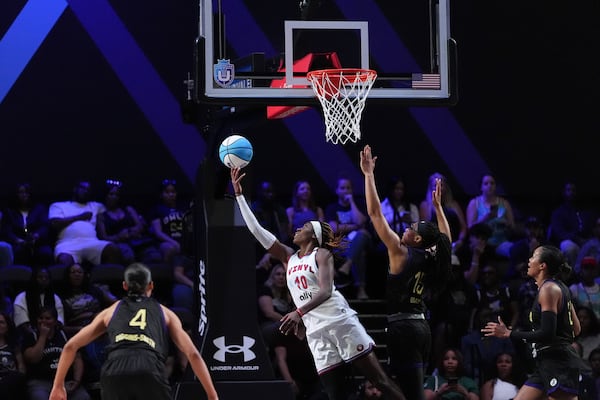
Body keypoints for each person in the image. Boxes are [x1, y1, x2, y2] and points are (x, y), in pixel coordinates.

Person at [230, 166, 405, 400]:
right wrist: (240, 196)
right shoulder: (287, 257)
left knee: (379, 380)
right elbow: (257, 231)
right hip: (316, 333)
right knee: (335, 394)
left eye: (304, 227)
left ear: (313, 236)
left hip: (340, 322)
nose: (298, 228)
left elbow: (325, 291)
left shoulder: (321, 255)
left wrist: (297, 312)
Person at [360, 145, 452, 400]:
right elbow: (445, 240)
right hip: (421, 327)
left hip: (403, 328)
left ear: (417, 238)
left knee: (408, 394)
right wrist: (438, 208)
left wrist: (369, 175)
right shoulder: (433, 256)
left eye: (411, 227)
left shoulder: (400, 251)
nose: (406, 228)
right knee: (404, 391)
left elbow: (375, 213)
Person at [48, 262, 218, 400]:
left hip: (115, 370)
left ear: (124, 285)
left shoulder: (110, 311)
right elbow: (193, 355)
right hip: (149, 368)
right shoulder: (165, 313)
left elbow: (70, 346)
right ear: (151, 285)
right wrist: (212, 395)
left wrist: (58, 386)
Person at [482, 244, 582, 400]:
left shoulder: (549, 289)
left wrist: (509, 333)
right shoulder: (560, 288)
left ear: (542, 266)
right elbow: (575, 329)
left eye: (533, 256)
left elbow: (547, 333)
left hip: (558, 364)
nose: (529, 260)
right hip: (545, 363)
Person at [49, 180, 122, 268]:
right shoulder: (59, 205)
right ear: (75, 189)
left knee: (113, 250)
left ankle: (103, 280)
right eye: (83, 188)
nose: (86, 191)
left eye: (88, 189)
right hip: (67, 244)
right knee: (64, 260)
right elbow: (55, 223)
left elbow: (113, 210)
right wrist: (80, 217)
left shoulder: (97, 206)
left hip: (92, 242)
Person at [22, 306, 91, 400]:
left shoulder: (65, 336)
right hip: (40, 382)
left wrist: (77, 380)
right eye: (40, 318)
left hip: (65, 381)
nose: (43, 321)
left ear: (55, 321)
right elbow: (34, 359)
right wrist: (43, 336)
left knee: (83, 397)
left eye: (47, 318)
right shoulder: (31, 337)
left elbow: (77, 359)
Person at [325, 175, 372, 299]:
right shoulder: (332, 208)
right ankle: (361, 289)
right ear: (337, 190)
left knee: (363, 235)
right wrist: (354, 226)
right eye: (342, 188)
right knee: (359, 253)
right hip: (341, 243)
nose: (346, 190)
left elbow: (361, 221)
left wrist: (351, 202)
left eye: (348, 188)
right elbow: (334, 229)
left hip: (360, 240)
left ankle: (347, 264)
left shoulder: (359, 204)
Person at [97, 179, 160, 266]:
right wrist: (118, 237)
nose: (114, 197)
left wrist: (130, 231)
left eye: (117, 195)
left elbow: (140, 225)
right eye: (111, 194)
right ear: (105, 195)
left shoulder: (128, 209)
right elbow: (103, 237)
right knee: (128, 255)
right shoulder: (101, 216)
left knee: (154, 255)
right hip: (119, 243)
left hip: (137, 240)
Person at [1, 182, 54, 267]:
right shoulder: (9, 211)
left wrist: (36, 235)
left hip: (39, 242)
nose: (24, 195)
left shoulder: (39, 208)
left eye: (26, 192)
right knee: (20, 253)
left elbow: (45, 226)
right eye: (21, 192)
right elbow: (7, 230)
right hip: (18, 243)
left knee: (45, 253)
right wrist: (17, 240)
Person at [465, 174, 515, 258]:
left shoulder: (504, 203)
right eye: (486, 183)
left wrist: (506, 224)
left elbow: (512, 226)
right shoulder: (474, 203)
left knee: (516, 250)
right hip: (482, 243)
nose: (489, 186)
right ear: (481, 187)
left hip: (501, 242)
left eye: (492, 183)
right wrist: (485, 218)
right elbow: (470, 227)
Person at [548, 181, 595, 267]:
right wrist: (576, 238)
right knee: (569, 248)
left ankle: (592, 277)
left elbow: (588, 229)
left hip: (583, 241)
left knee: (594, 244)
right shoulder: (558, 212)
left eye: (573, 190)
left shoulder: (582, 210)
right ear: (564, 192)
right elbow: (559, 233)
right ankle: (574, 275)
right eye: (569, 190)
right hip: (568, 241)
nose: (571, 193)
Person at [419, 172, 468, 253]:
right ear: (431, 188)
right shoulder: (425, 205)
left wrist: (460, 241)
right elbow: (424, 230)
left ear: (445, 187)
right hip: (433, 245)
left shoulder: (454, 205)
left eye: (441, 185)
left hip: (454, 243)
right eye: (435, 185)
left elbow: (463, 227)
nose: (438, 188)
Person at [13, 266, 65, 334]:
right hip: (29, 335)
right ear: (34, 279)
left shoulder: (55, 297)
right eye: (40, 277)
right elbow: (22, 323)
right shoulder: (21, 297)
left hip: (51, 334)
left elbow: (59, 321)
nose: (44, 279)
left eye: (46, 278)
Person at [0, 311, 27, 399]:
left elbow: (21, 367)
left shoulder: (14, 346)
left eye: (1, 322)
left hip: (10, 381)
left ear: (7, 327)